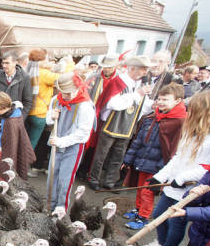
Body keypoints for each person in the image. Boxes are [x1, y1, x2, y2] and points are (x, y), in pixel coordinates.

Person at [144, 89, 210, 246]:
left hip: (192, 190)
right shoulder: (193, 131)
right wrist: (160, 177)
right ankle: (160, 242)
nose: (190, 113)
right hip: (173, 185)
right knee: (159, 214)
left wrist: (183, 178)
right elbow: (178, 159)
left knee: (176, 221)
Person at [121, 83, 187, 230]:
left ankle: (144, 217)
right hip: (143, 160)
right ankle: (138, 209)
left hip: (158, 165)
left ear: (177, 101)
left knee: (148, 191)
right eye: (159, 99)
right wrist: (129, 159)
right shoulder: (152, 117)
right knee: (140, 189)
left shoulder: (179, 122)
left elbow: (174, 149)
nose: (161, 102)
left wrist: (164, 169)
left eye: (166, 99)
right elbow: (138, 139)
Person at [88, 56, 153, 191]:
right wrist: (137, 95)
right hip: (112, 124)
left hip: (128, 127)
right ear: (133, 68)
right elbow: (113, 104)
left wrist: (153, 105)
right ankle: (94, 179)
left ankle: (110, 181)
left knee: (118, 156)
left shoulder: (140, 85)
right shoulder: (119, 82)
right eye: (143, 69)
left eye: (146, 69)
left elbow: (143, 106)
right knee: (101, 155)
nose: (145, 72)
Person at [44, 73, 95, 211]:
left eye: (67, 93)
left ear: (77, 89)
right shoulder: (56, 100)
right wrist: (51, 117)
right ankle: (50, 206)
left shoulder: (85, 106)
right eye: (62, 92)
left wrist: (62, 141)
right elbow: (48, 119)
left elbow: (83, 133)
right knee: (51, 178)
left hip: (72, 148)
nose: (64, 96)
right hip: (56, 144)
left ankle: (60, 210)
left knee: (64, 181)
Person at [25, 48, 59, 171]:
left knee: (25, 141)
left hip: (27, 112)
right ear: (41, 60)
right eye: (47, 58)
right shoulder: (44, 73)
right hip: (39, 114)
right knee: (31, 144)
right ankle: (24, 167)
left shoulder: (28, 69)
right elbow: (64, 78)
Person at [0, 91, 35, 180]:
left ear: (5, 107)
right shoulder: (17, 113)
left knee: (5, 174)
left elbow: (3, 140)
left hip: (4, 151)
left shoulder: (9, 122)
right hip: (13, 149)